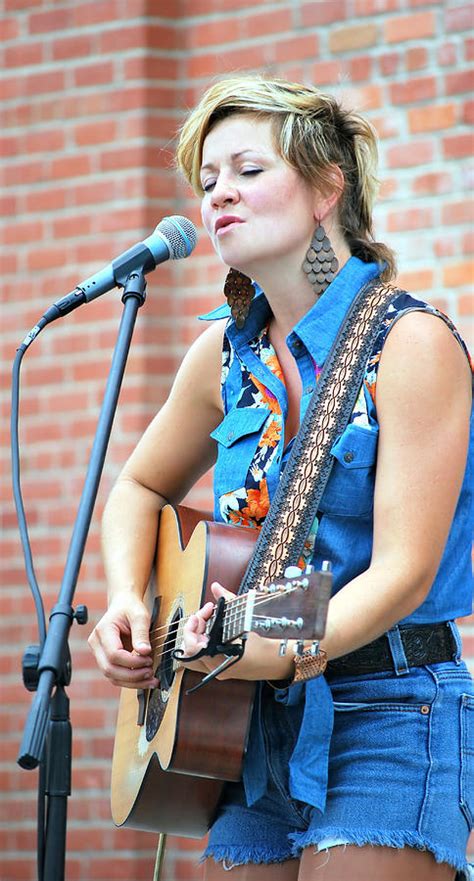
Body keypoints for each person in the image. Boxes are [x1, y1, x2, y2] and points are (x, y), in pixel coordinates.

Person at [88, 76, 473, 881]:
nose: (219, 192)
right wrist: (130, 598)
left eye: (247, 170)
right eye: (207, 180)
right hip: (249, 724)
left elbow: (404, 574)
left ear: (327, 186)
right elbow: (137, 488)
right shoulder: (221, 358)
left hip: (391, 710)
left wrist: (269, 646)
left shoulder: (409, 347)